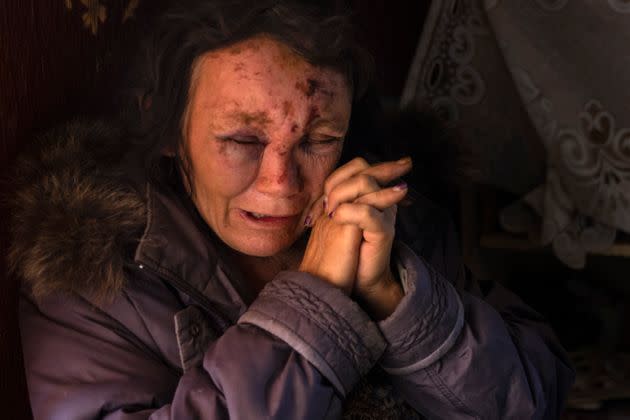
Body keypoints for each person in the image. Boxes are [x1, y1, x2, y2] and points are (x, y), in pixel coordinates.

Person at [9, 0, 574, 418]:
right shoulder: (89, 273)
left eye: (318, 138)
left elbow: (533, 402)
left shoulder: (394, 219)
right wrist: (314, 305)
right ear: (167, 128)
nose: (282, 184)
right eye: (240, 140)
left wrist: (397, 298)